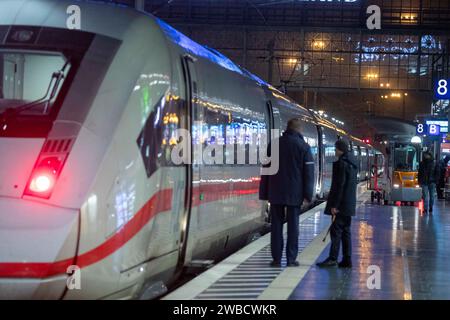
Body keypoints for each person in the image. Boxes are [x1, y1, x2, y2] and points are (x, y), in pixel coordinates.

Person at [259, 118, 314, 267]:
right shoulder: (304, 147)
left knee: (276, 226)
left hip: (276, 192)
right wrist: (308, 195)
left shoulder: (274, 145)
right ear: (299, 130)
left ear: (287, 128)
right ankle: (291, 259)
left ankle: (276, 259)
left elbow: (266, 170)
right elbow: (309, 174)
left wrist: (264, 192)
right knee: (293, 227)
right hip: (294, 194)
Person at [316, 139, 358, 268]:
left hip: (341, 204)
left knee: (336, 231)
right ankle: (347, 259)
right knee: (346, 231)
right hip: (349, 204)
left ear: (340, 150)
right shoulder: (352, 163)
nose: (334, 151)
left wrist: (335, 205)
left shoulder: (342, 164)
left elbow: (340, 186)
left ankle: (333, 258)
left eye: (335, 149)